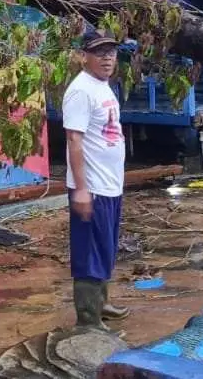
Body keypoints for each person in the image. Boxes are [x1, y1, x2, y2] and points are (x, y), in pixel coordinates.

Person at [60, 28, 129, 331]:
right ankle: (88, 319)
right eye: (99, 52)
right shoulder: (80, 90)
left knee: (105, 246)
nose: (107, 58)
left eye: (111, 52)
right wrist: (82, 189)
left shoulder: (102, 86)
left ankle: (101, 304)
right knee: (90, 252)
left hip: (109, 183)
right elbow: (74, 140)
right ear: (82, 56)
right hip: (92, 186)